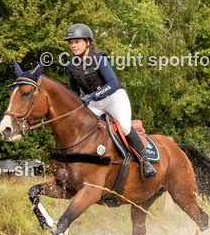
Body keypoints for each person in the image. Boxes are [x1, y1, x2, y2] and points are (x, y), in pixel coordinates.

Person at [64, 23, 156, 179]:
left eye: (77, 42)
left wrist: (91, 96)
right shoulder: (71, 66)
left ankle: (145, 161)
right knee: (78, 127)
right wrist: (76, 103)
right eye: (71, 42)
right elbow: (74, 91)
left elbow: (112, 83)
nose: (73, 45)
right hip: (93, 103)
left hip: (114, 98)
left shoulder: (99, 58)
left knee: (125, 127)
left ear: (87, 42)